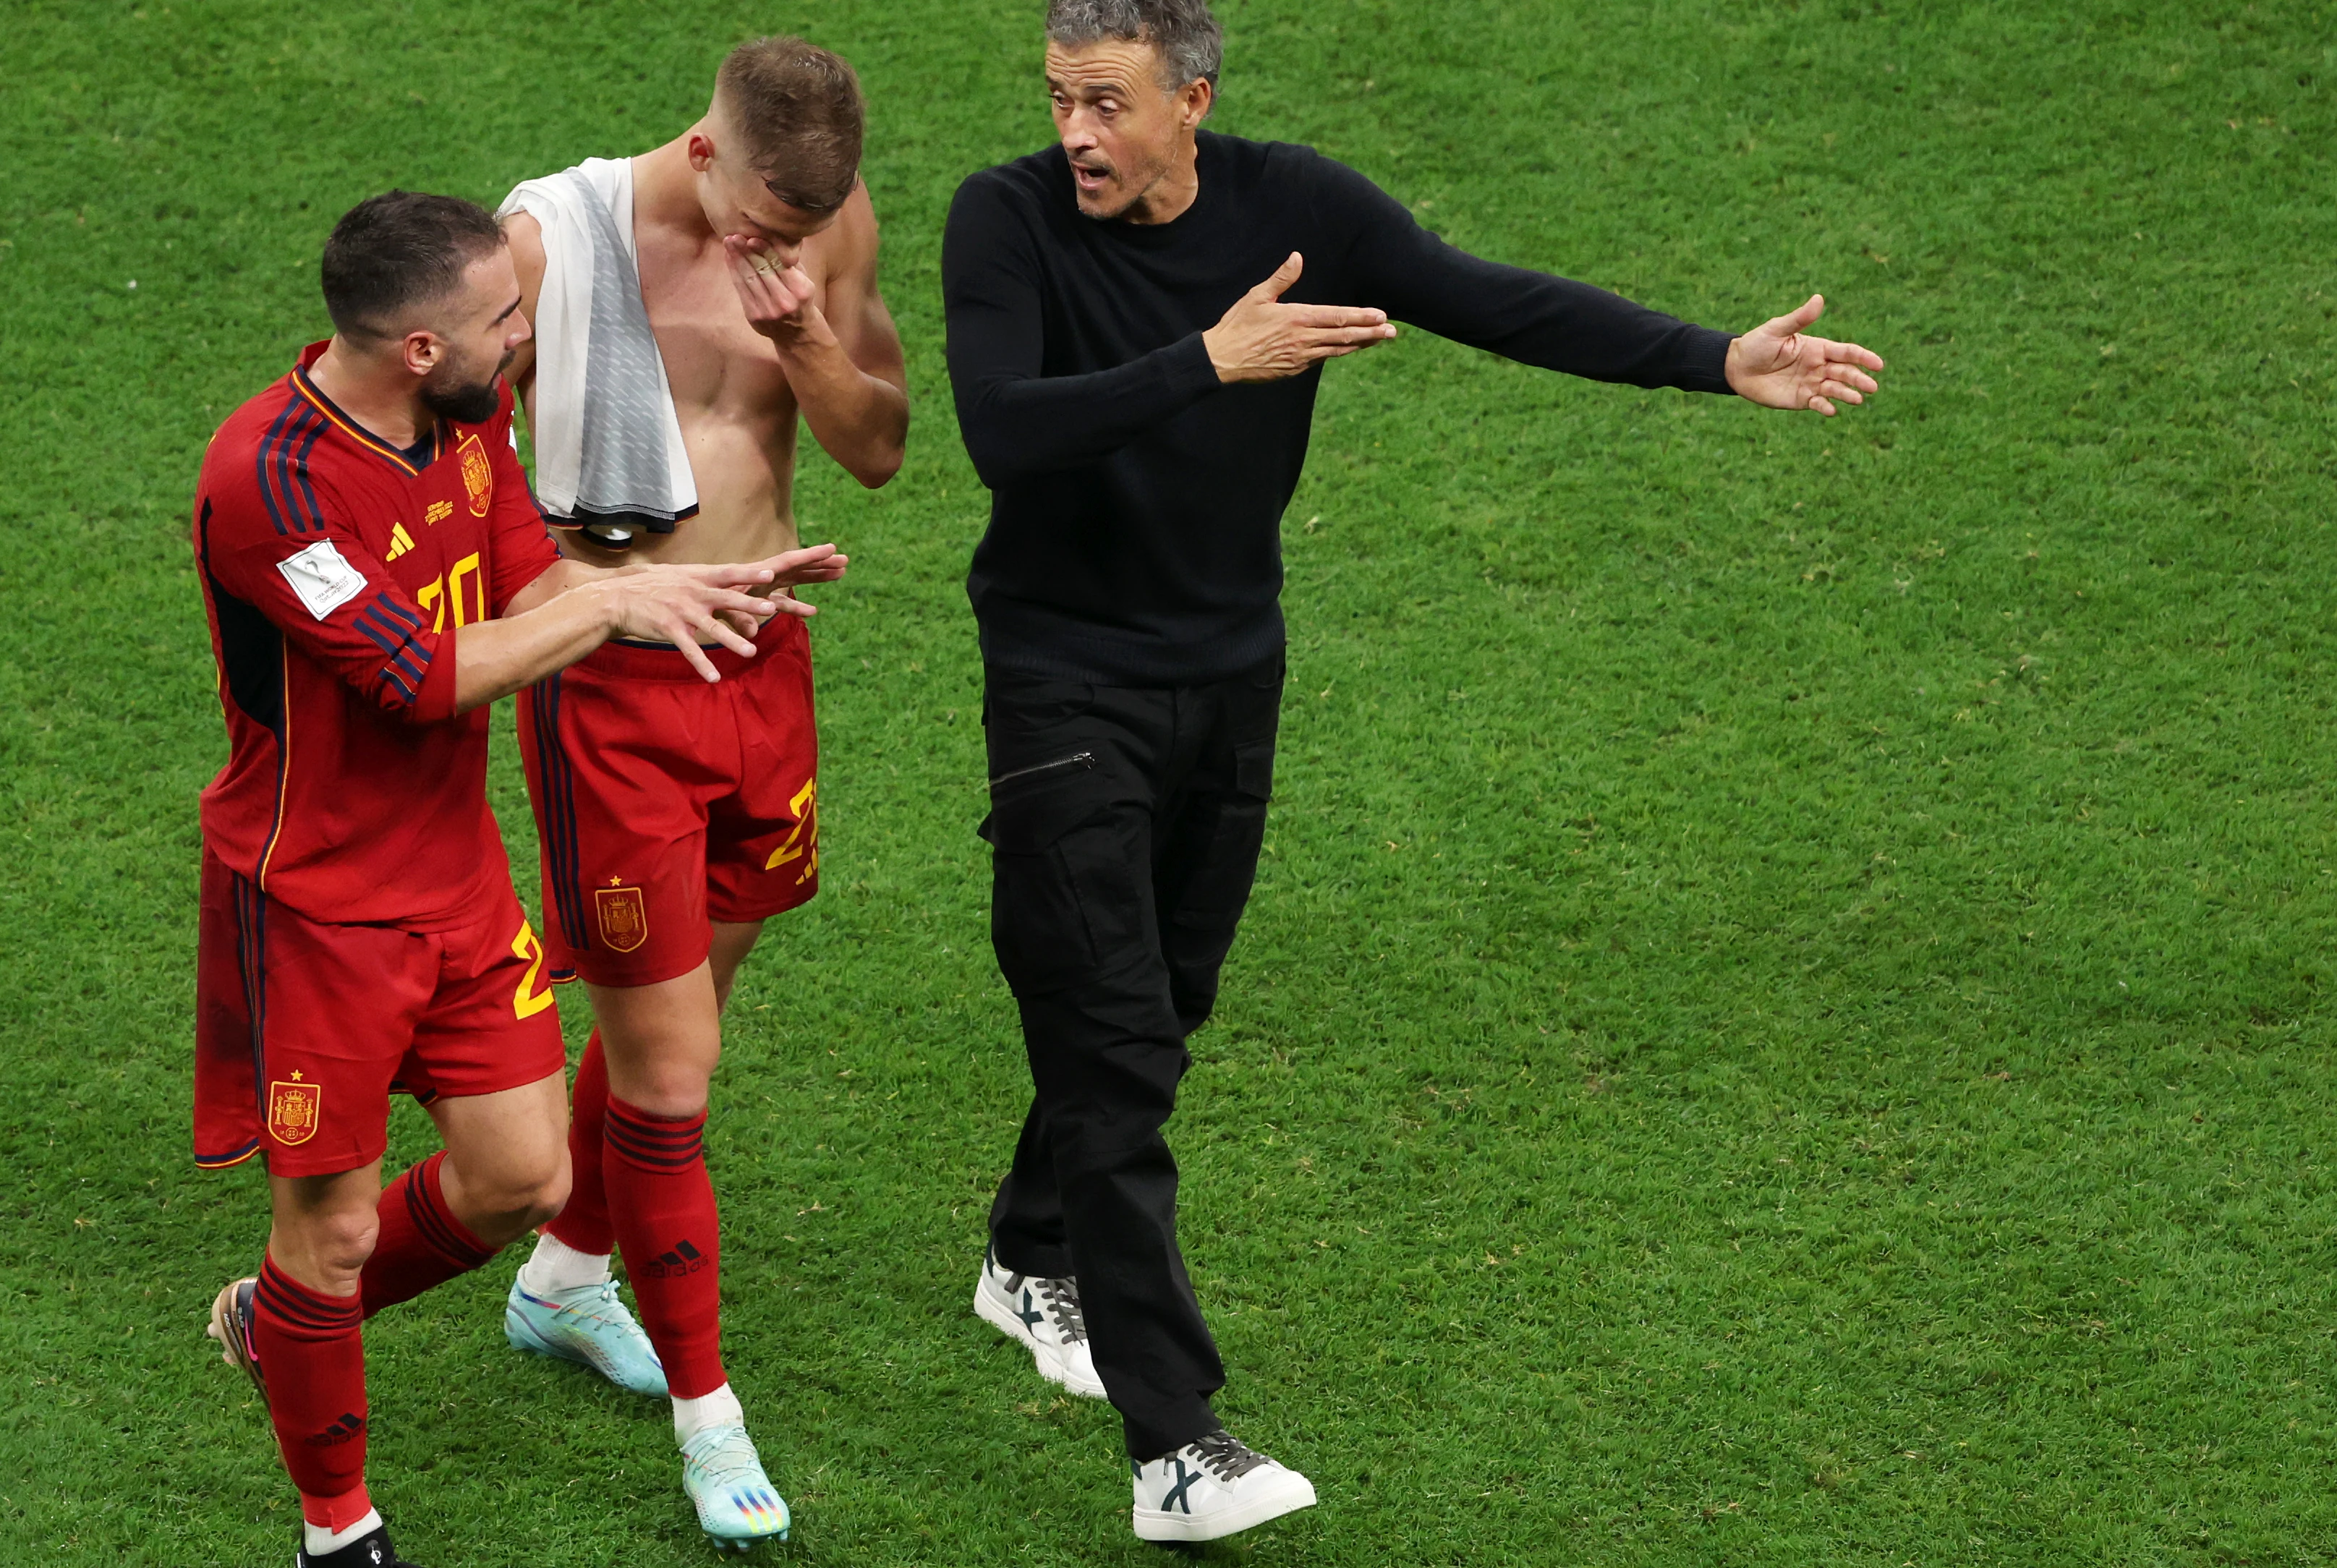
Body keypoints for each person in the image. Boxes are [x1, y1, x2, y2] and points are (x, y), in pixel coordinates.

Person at [942, 0, 1884, 1545]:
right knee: (1112, 1045)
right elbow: (1002, 432)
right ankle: (1173, 1442)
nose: (1075, 136)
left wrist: (1714, 360)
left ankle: (1027, 1250)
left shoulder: (1293, 209)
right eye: (1058, 101)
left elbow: (1486, 299)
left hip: (1230, 674)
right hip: (1064, 683)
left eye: (1105, 105)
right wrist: (1207, 357)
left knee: (1164, 1003)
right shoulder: (1006, 221)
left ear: (1191, 101)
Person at [186, 189, 843, 1568]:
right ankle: (337, 1529)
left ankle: (278, 1322)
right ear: (419, 346)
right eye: (504, 317)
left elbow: (523, 573)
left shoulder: (467, 420)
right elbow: (417, 679)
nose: (525, 333)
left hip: (460, 891)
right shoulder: (272, 480)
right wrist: (612, 605)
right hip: (314, 905)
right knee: (337, 1224)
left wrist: (661, 597)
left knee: (520, 1181)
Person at [485, 35, 908, 1549]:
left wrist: (802, 336)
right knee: (670, 1071)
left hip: (765, 664)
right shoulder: (547, 245)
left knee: (685, 1015)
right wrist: (604, 602)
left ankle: (560, 1274)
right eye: (765, 230)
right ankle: (707, 1414)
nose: (783, 253)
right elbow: (454, 487)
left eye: (810, 234)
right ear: (704, 149)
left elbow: (877, 452)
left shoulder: (821, 230)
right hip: (610, 687)